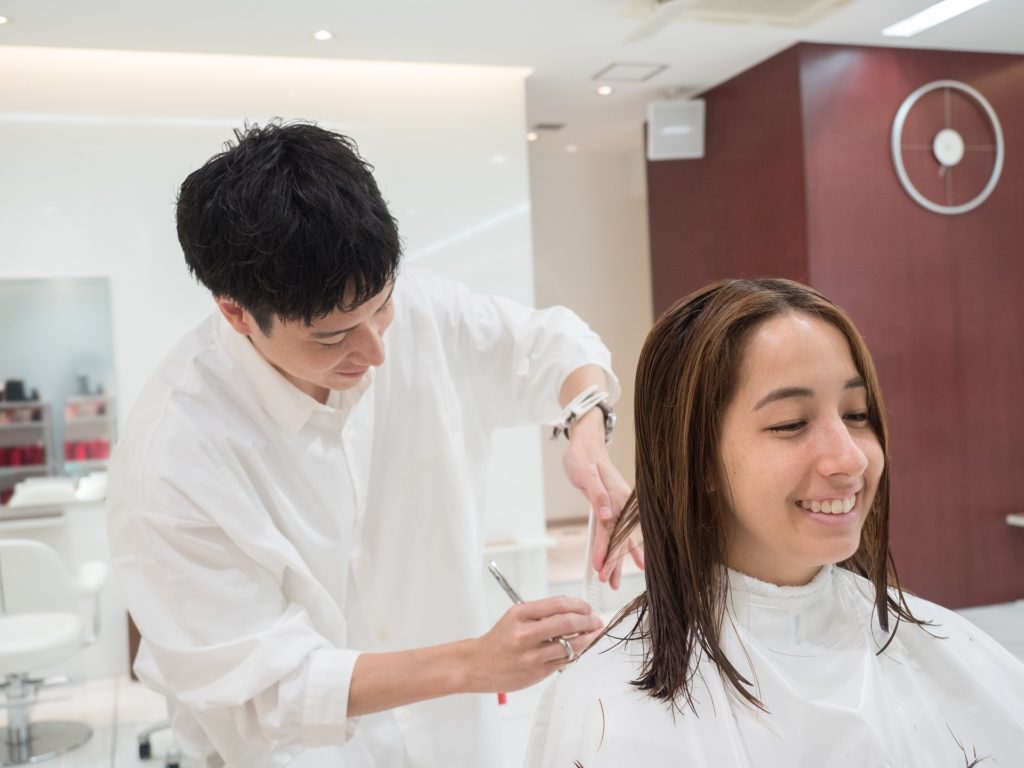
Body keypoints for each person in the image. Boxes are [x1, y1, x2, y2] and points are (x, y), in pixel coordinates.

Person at [106, 121, 641, 767]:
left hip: (450, 738)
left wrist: (586, 432)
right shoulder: (172, 459)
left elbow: (553, 346)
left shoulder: (423, 312)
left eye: (383, 307)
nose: (375, 349)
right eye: (332, 338)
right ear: (236, 313)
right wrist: (473, 663)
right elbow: (266, 687)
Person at [527, 278, 1024, 766]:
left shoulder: (953, 655)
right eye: (791, 424)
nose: (849, 459)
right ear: (696, 458)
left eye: (857, 414)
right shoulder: (607, 710)